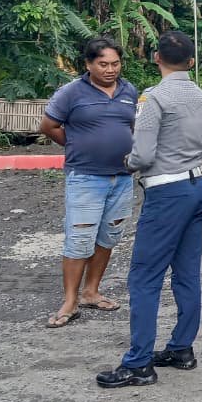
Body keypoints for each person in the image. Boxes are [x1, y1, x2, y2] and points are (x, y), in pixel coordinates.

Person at [96, 30, 202, 389]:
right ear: (191, 61)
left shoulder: (153, 98)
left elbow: (144, 155)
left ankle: (138, 364)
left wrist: (129, 161)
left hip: (167, 194)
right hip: (197, 189)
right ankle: (181, 349)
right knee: (187, 273)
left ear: (156, 58)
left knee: (144, 278)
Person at [41, 38, 139, 328]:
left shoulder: (129, 91)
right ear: (88, 64)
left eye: (115, 64)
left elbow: (131, 126)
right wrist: (77, 145)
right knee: (79, 238)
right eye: (103, 64)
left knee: (109, 236)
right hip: (85, 177)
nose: (110, 70)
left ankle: (91, 292)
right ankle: (69, 302)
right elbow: (49, 126)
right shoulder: (71, 92)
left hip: (122, 177)